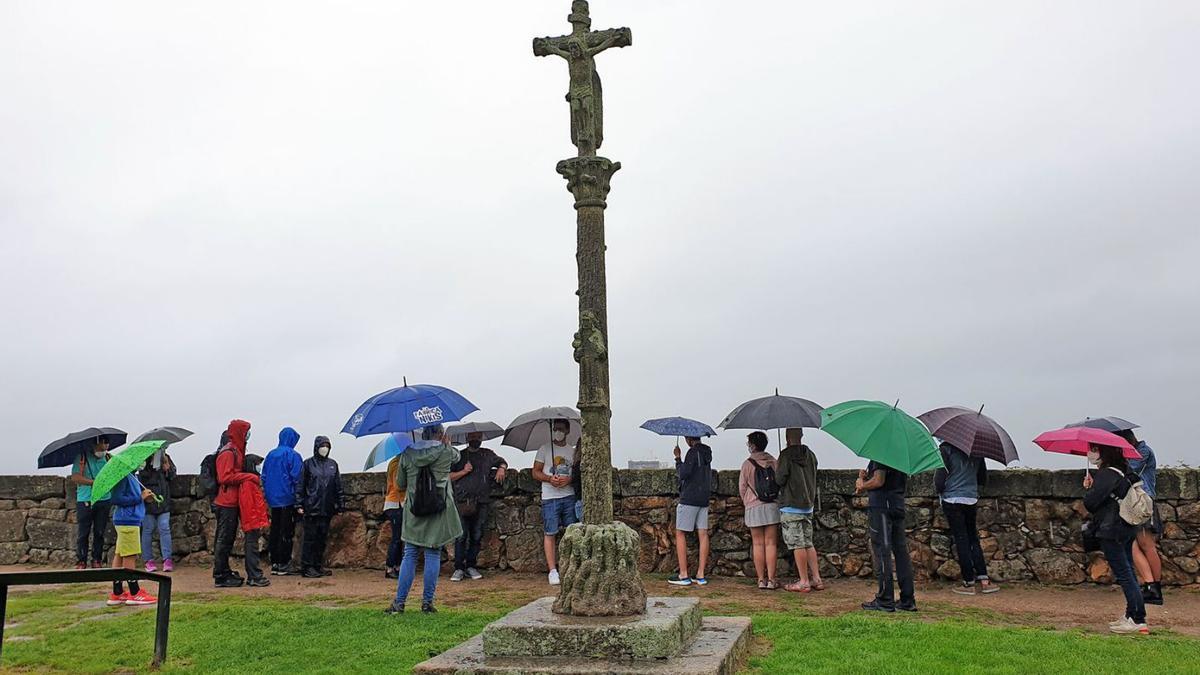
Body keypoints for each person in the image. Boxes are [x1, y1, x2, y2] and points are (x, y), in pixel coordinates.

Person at [385, 424, 463, 614]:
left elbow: (401, 484)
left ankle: (399, 603)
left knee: (410, 555)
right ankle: (427, 603)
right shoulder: (446, 452)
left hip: (414, 511)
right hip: (438, 510)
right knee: (433, 554)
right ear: (440, 434)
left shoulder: (407, 454)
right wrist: (447, 443)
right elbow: (457, 457)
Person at [1083, 443, 1148, 634]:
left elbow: (1091, 503)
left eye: (1094, 449)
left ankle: (1138, 619)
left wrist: (1089, 488)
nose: (1091, 453)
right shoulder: (1123, 471)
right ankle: (1131, 615)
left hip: (1111, 529)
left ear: (1104, 452)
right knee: (1128, 571)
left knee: (1124, 574)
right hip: (1125, 527)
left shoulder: (1107, 474)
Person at [933, 442, 999, 595]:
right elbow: (982, 478)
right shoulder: (977, 450)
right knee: (973, 538)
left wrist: (939, 490)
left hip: (952, 499)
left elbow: (939, 480)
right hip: (971, 498)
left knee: (961, 539)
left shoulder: (946, 449)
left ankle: (968, 582)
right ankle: (984, 580)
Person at [857, 459, 916, 612]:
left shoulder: (881, 451)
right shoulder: (900, 453)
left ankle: (885, 599)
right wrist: (865, 477)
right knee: (901, 551)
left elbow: (879, 481)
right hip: (897, 503)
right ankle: (907, 599)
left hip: (882, 506)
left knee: (882, 551)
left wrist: (862, 484)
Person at [449, 432, 508, 582]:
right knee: (461, 536)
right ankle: (458, 568)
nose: (476, 440)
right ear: (467, 438)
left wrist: (501, 468)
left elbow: (502, 461)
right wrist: (464, 471)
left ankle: (471, 566)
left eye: (479, 437)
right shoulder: (458, 456)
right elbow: (448, 476)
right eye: (473, 437)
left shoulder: (488, 454)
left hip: (482, 501)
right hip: (462, 501)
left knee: (476, 535)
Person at [213, 419, 260, 588]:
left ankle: (224, 570)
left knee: (228, 538)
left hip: (232, 501)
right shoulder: (228, 452)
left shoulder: (236, 450)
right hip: (226, 502)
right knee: (224, 539)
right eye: (246, 431)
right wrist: (248, 477)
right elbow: (224, 477)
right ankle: (220, 574)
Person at [776, 428, 824, 593]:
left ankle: (803, 581)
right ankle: (816, 578)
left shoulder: (786, 455)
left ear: (787, 437)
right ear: (801, 436)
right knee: (808, 543)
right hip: (807, 504)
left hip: (791, 504)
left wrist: (778, 464)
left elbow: (779, 479)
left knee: (797, 544)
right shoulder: (810, 454)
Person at [1120, 430, 1163, 606]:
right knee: (1131, 544)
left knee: (1147, 544)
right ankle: (1149, 584)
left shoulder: (1143, 451)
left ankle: (1155, 588)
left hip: (1143, 502)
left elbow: (1130, 472)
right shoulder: (1137, 452)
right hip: (1132, 503)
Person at [532, 419, 577, 586]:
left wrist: (568, 480)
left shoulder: (571, 451)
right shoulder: (544, 449)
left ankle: (570, 566)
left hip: (568, 496)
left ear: (567, 430)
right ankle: (552, 570)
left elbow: (576, 474)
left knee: (571, 532)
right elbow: (535, 472)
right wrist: (550, 478)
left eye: (560, 429)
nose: (557, 431)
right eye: (555, 429)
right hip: (550, 497)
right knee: (550, 532)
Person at [296, 435, 344, 578]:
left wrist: (341, 504)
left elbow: (338, 486)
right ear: (316, 447)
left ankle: (317, 565)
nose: (325, 448)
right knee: (310, 539)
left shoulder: (333, 464)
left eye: (327, 446)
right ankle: (307, 567)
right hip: (311, 508)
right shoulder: (308, 464)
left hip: (327, 508)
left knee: (322, 539)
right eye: (323, 446)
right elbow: (301, 485)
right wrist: (298, 503)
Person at [106, 473, 158, 606]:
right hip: (128, 521)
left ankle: (117, 592)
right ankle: (134, 592)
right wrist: (140, 497)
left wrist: (145, 498)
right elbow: (117, 499)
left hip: (127, 520)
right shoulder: (124, 477)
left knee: (120, 554)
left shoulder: (133, 476)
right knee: (130, 555)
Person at [668, 435, 713, 587]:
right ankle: (701, 574)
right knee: (703, 534)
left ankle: (683, 574)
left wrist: (678, 458)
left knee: (680, 533)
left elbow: (683, 474)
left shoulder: (692, 452)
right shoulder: (707, 453)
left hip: (690, 498)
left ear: (688, 439)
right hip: (704, 498)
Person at [739, 431, 780, 590]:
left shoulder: (747, 464)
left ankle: (761, 580)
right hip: (771, 505)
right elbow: (780, 482)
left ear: (753, 445)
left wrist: (748, 502)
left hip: (753, 506)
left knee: (757, 544)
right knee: (771, 544)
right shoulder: (773, 461)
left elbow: (742, 488)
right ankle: (771, 580)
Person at [262, 427, 303, 575]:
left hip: (273, 499)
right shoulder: (292, 455)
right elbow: (298, 477)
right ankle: (283, 562)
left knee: (275, 530)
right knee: (286, 531)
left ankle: (274, 562)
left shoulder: (271, 455)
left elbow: (264, 476)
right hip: (287, 498)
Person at [71, 436, 111, 569]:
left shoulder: (108, 458)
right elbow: (76, 478)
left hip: (104, 498)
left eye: (107, 442)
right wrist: (93, 483)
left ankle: (97, 559)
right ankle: (81, 560)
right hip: (85, 499)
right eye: (103, 442)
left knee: (100, 532)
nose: (106, 445)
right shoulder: (82, 457)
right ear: (95, 443)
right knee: (84, 532)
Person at [137, 451, 176, 573]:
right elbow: (140, 477)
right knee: (148, 530)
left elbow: (172, 476)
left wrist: (167, 468)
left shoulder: (165, 457)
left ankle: (167, 559)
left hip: (163, 501)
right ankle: (148, 560)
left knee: (164, 528)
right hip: (148, 502)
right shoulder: (142, 460)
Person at [239, 453, 271, 587]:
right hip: (251, 522)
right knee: (251, 548)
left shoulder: (251, 482)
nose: (259, 467)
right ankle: (253, 576)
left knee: (252, 547)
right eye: (257, 464)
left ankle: (254, 574)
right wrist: (255, 523)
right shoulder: (248, 483)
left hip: (253, 521)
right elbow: (248, 505)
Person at [383, 453, 406, 579]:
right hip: (395, 504)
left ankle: (396, 566)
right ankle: (390, 567)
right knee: (396, 538)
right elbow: (398, 485)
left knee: (399, 538)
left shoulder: (396, 462)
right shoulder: (397, 463)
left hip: (396, 504)